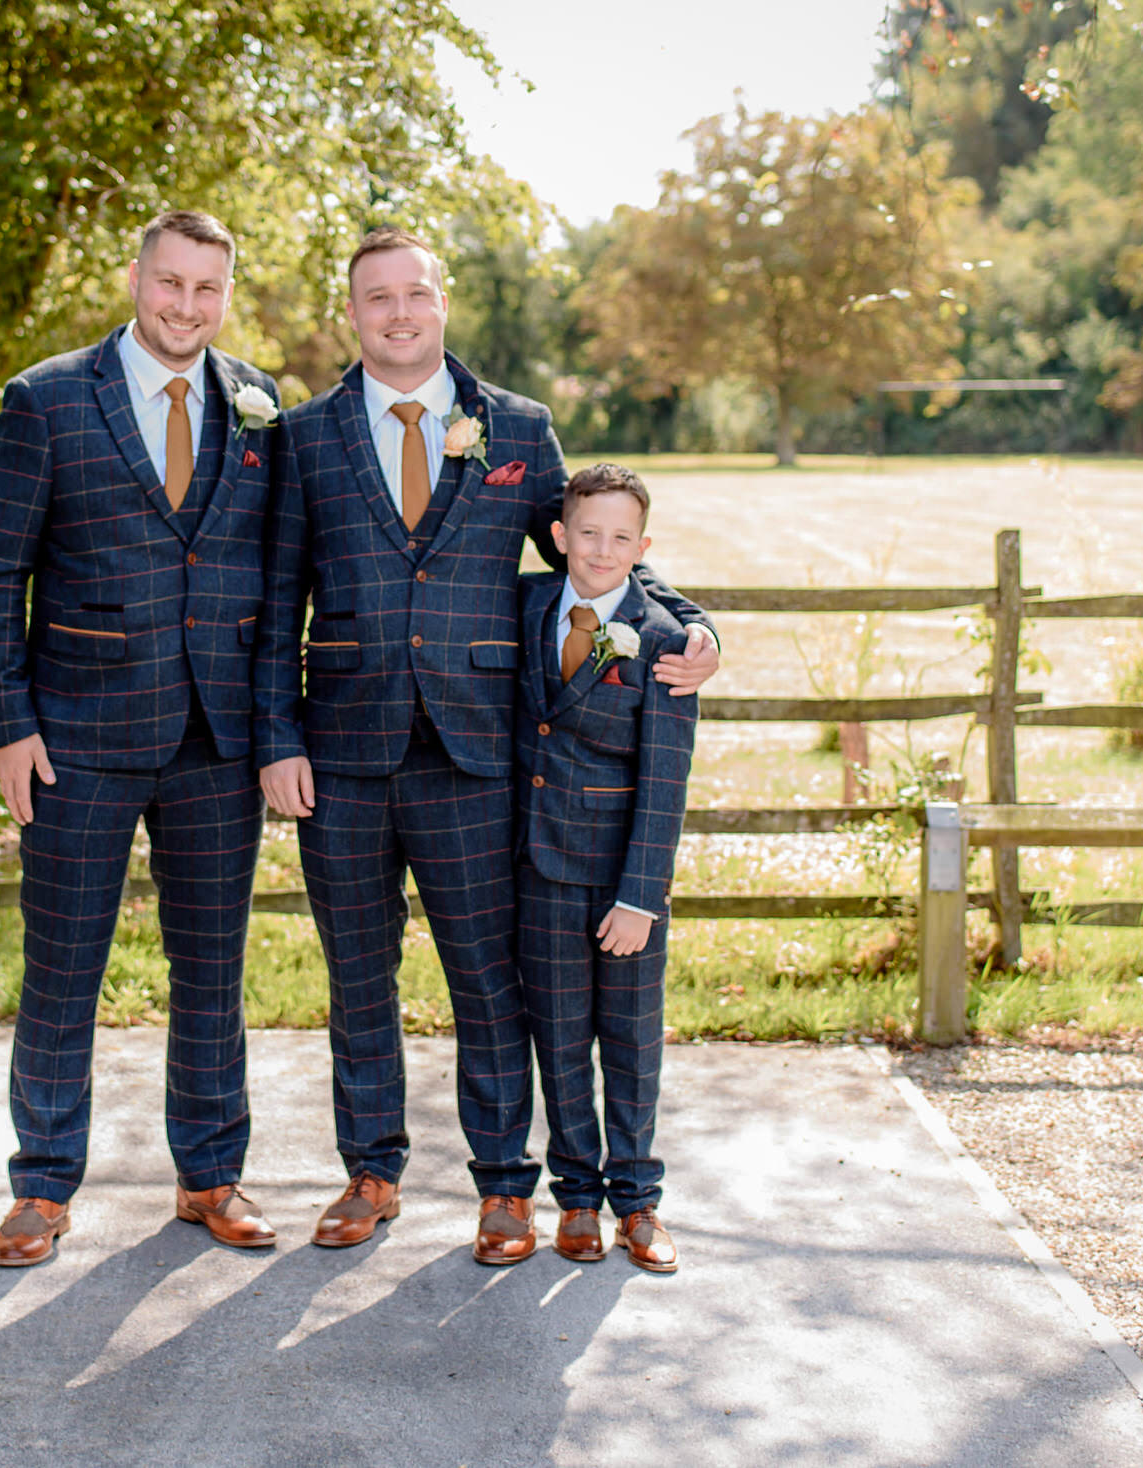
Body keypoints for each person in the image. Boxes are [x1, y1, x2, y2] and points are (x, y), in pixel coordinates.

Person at [254, 226, 719, 1265]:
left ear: (443, 301)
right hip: (338, 758)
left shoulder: (515, 426)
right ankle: (370, 1171)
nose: (399, 312)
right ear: (353, 311)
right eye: (377, 297)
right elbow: (277, 592)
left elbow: (597, 558)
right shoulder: (307, 433)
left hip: (476, 758)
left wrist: (697, 625)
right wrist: (277, 736)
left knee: (489, 983)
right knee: (357, 979)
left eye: (415, 292)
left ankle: (504, 1186)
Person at [0, 210, 282, 1266]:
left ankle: (209, 1176)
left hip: (216, 740)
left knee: (211, 971)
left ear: (225, 295)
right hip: (78, 736)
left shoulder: (260, 403)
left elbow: (276, 575)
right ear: (135, 277)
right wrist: (8, 725)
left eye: (207, 288)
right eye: (170, 282)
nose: (186, 305)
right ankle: (43, 1186)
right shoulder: (47, 399)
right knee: (62, 968)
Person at [513, 463, 699, 1274]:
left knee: (628, 1041)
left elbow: (665, 779)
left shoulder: (664, 640)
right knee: (557, 1038)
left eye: (621, 537)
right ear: (558, 538)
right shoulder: (523, 609)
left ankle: (638, 1198)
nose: (601, 549)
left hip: (623, 878)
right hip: (538, 866)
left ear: (644, 547)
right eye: (587, 533)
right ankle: (577, 1199)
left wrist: (640, 896)